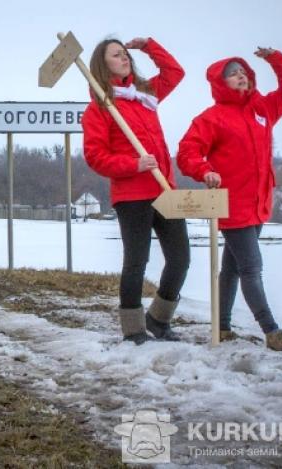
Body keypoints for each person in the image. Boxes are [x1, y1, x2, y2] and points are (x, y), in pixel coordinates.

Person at [177, 47, 282, 352]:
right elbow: (187, 153)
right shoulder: (212, 118)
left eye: (243, 71)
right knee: (251, 267)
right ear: (221, 83)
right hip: (231, 205)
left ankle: (221, 327)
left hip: (258, 204)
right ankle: (271, 330)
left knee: (233, 269)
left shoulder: (263, 109)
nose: (241, 76)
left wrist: (276, 59)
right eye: (233, 73)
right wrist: (204, 170)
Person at [82, 37, 189, 345]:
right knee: (136, 262)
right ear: (103, 65)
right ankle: (133, 329)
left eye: (125, 53)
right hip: (132, 195)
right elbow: (96, 157)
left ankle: (158, 319)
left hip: (165, 188)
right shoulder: (100, 108)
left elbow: (175, 73)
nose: (124, 57)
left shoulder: (145, 95)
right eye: (117, 55)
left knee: (180, 258)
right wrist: (134, 164)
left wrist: (149, 46)